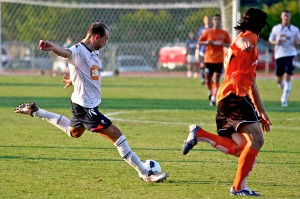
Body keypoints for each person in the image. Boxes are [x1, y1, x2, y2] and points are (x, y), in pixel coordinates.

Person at [14, 22, 168, 183]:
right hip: (86, 108)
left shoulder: (93, 51)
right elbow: (66, 53)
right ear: (96, 37)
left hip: (83, 104)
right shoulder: (78, 51)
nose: (106, 43)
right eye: (105, 39)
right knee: (117, 135)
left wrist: (75, 80)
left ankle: (36, 111)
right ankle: (145, 173)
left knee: (73, 132)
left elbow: (87, 72)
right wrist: (52, 47)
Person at [182, 8, 272, 196]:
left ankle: (200, 134)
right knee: (257, 140)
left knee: (241, 148)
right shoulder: (249, 37)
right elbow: (241, 42)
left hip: (226, 98)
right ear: (261, 26)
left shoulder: (245, 40)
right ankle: (238, 188)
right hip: (234, 96)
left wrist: (261, 111)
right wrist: (245, 41)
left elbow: (253, 84)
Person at [196, 14, 231, 106]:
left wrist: (223, 44)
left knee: (216, 78)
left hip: (219, 59)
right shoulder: (208, 32)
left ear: (221, 21)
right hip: (208, 59)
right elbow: (199, 42)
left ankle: (213, 98)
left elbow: (229, 44)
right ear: (213, 21)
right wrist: (207, 42)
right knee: (208, 80)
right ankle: (210, 91)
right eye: (215, 19)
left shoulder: (224, 33)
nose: (217, 21)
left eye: (219, 19)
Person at [268, 10, 300, 107]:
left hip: (290, 54)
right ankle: (282, 85)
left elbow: (298, 41)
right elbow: (270, 40)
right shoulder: (276, 28)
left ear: (289, 17)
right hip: (279, 55)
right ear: (281, 17)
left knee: (288, 76)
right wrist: (277, 42)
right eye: (284, 15)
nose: (286, 17)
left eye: (287, 15)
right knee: (279, 79)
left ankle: (284, 100)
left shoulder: (295, 29)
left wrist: (296, 42)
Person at [196, 15, 211, 84]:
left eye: (208, 19)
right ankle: (202, 77)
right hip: (203, 49)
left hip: (210, 50)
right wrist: (197, 49)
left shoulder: (212, 29)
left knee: (208, 64)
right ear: (204, 21)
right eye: (206, 19)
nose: (207, 21)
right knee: (202, 64)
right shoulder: (201, 29)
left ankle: (208, 78)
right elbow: (199, 40)